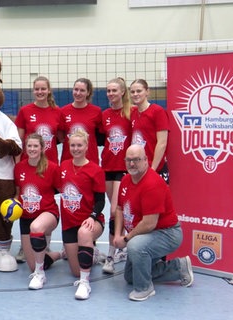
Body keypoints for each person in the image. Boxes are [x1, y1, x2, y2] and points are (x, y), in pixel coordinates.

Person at [113, 144, 193, 301]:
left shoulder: (152, 184)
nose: (132, 164)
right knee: (130, 276)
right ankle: (179, 267)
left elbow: (149, 223)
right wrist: (117, 235)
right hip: (148, 232)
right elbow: (119, 208)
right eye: (128, 160)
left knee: (135, 246)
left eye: (136, 159)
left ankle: (144, 289)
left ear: (145, 161)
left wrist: (126, 239)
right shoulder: (126, 180)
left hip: (167, 233)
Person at [57, 130, 106, 300]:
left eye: (79, 145)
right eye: (72, 145)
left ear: (86, 146)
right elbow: (53, 188)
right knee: (75, 271)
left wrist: (92, 216)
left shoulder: (95, 170)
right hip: (69, 223)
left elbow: (101, 201)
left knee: (84, 233)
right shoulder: (63, 166)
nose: (76, 148)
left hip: (91, 221)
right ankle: (90, 253)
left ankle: (85, 284)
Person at [14, 133, 61, 290]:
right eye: (29, 146)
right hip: (26, 216)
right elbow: (17, 193)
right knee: (32, 265)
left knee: (37, 227)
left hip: (48, 213)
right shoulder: (19, 167)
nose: (32, 149)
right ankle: (61, 254)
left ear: (42, 148)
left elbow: (62, 190)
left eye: (35, 146)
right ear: (25, 148)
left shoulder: (52, 167)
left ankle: (40, 275)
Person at [100, 78, 132, 274]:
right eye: (108, 91)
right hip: (107, 167)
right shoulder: (105, 115)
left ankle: (111, 255)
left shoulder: (131, 113)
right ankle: (123, 248)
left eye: (114, 91)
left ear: (122, 92)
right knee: (119, 211)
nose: (111, 94)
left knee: (114, 210)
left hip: (124, 168)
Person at [15, 75, 63, 163]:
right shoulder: (24, 111)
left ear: (49, 91)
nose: (40, 92)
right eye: (37, 89)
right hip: (29, 161)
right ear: (33, 91)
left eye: (43, 89)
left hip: (50, 162)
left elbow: (62, 138)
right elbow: (19, 141)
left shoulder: (57, 112)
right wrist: (17, 164)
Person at [129, 79, 169, 183]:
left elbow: (162, 143)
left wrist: (153, 169)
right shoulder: (133, 113)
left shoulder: (157, 111)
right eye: (132, 92)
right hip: (138, 168)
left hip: (155, 168)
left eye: (139, 91)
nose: (135, 94)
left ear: (147, 91)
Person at [59, 78, 103, 165]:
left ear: (88, 93)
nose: (78, 93)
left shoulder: (96, 111)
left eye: (82, 90)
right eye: (76, 89)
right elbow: (61, 137)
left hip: (90, 160)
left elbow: (100, 136)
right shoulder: (63, 111)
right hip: (69, 160)